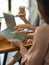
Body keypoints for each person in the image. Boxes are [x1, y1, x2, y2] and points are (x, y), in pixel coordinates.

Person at [8, 0, 49, 65]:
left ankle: (12, 62)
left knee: (26, 45)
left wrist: (20, 45)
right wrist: (25, 21)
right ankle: (12, 62)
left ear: (43, 7)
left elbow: (42, 32)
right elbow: (41, 32)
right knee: (27, 43)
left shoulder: (43, 28)